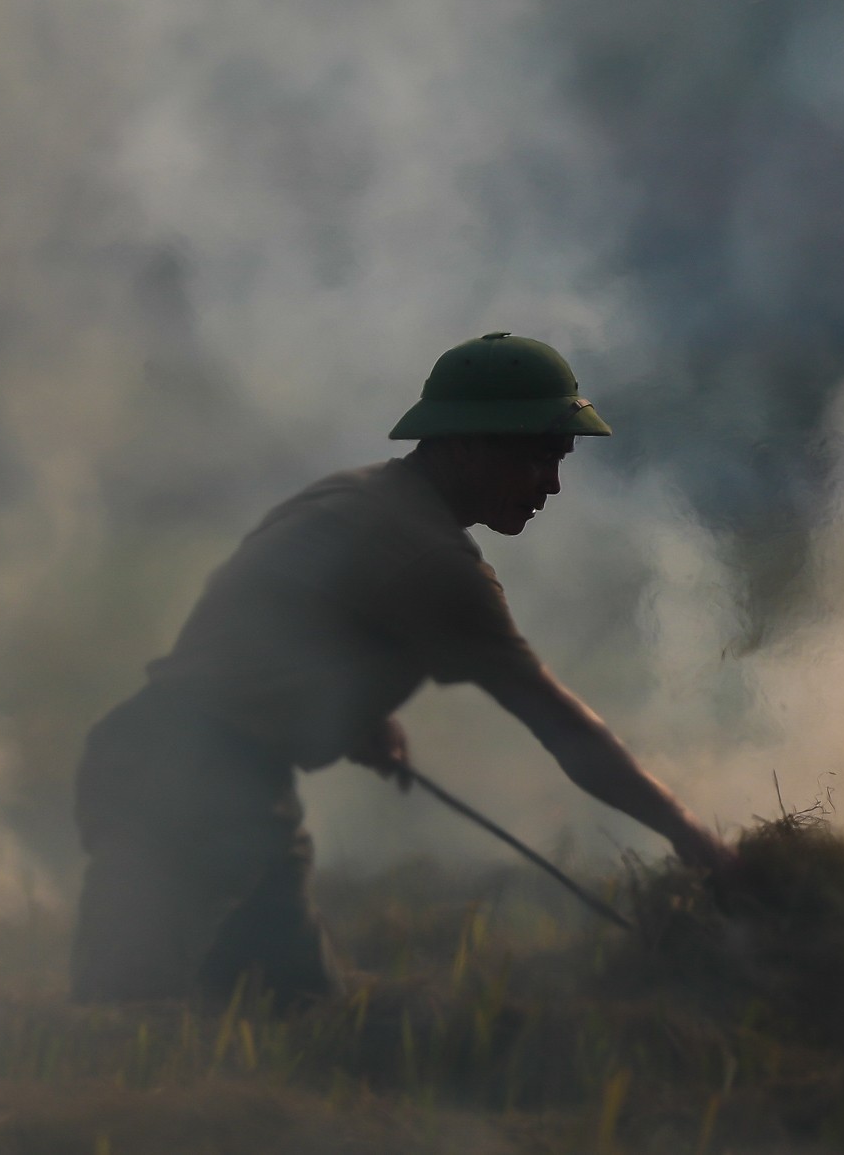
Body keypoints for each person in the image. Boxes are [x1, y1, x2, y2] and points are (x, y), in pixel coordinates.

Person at [70, 332, 732, 1005]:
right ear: (469, 443)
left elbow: (278, 619)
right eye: (539, 457)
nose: (553, 485)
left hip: (196, 774)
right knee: (127, 1016)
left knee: (291, 1007)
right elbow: (561, 725)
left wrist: (357, 711)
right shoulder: (437, 564)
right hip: (196, 794)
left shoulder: (355, 496)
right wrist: (687, 831)